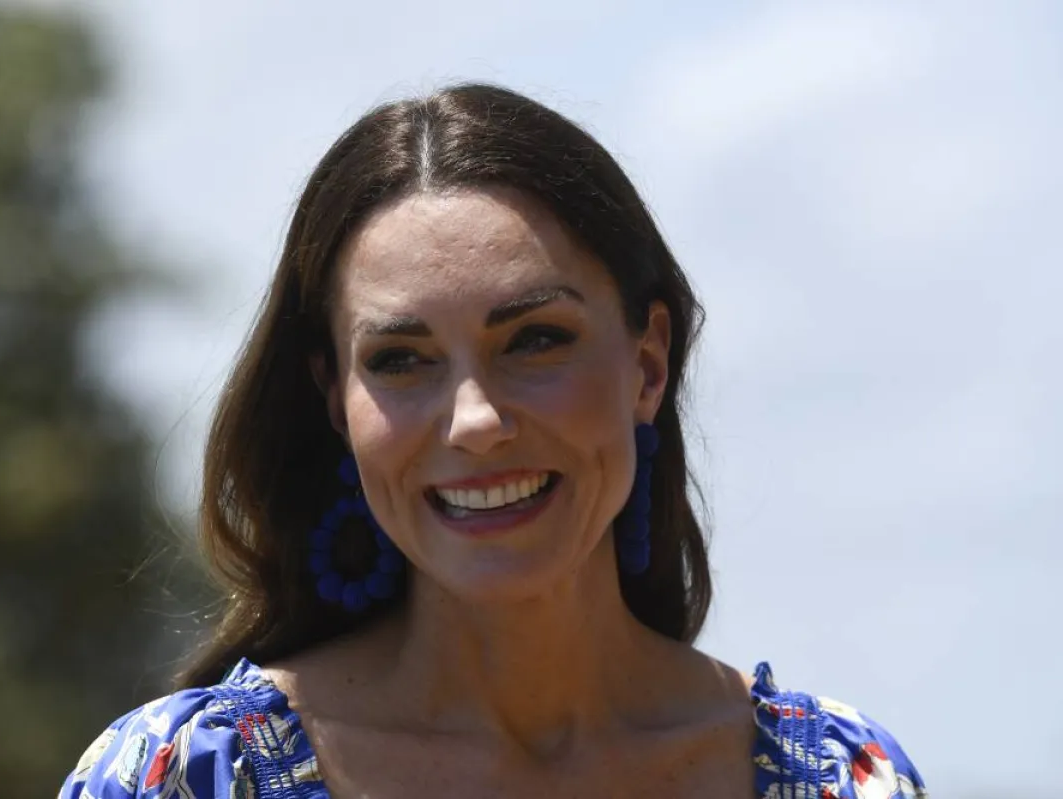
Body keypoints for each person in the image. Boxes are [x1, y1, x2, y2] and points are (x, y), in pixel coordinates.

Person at [60, 83, 928, 798]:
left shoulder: (841, 781)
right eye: (401, 359)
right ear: (336, 398)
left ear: (648, 362)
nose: (474, 420)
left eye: (535, 340)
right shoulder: (188, 780)